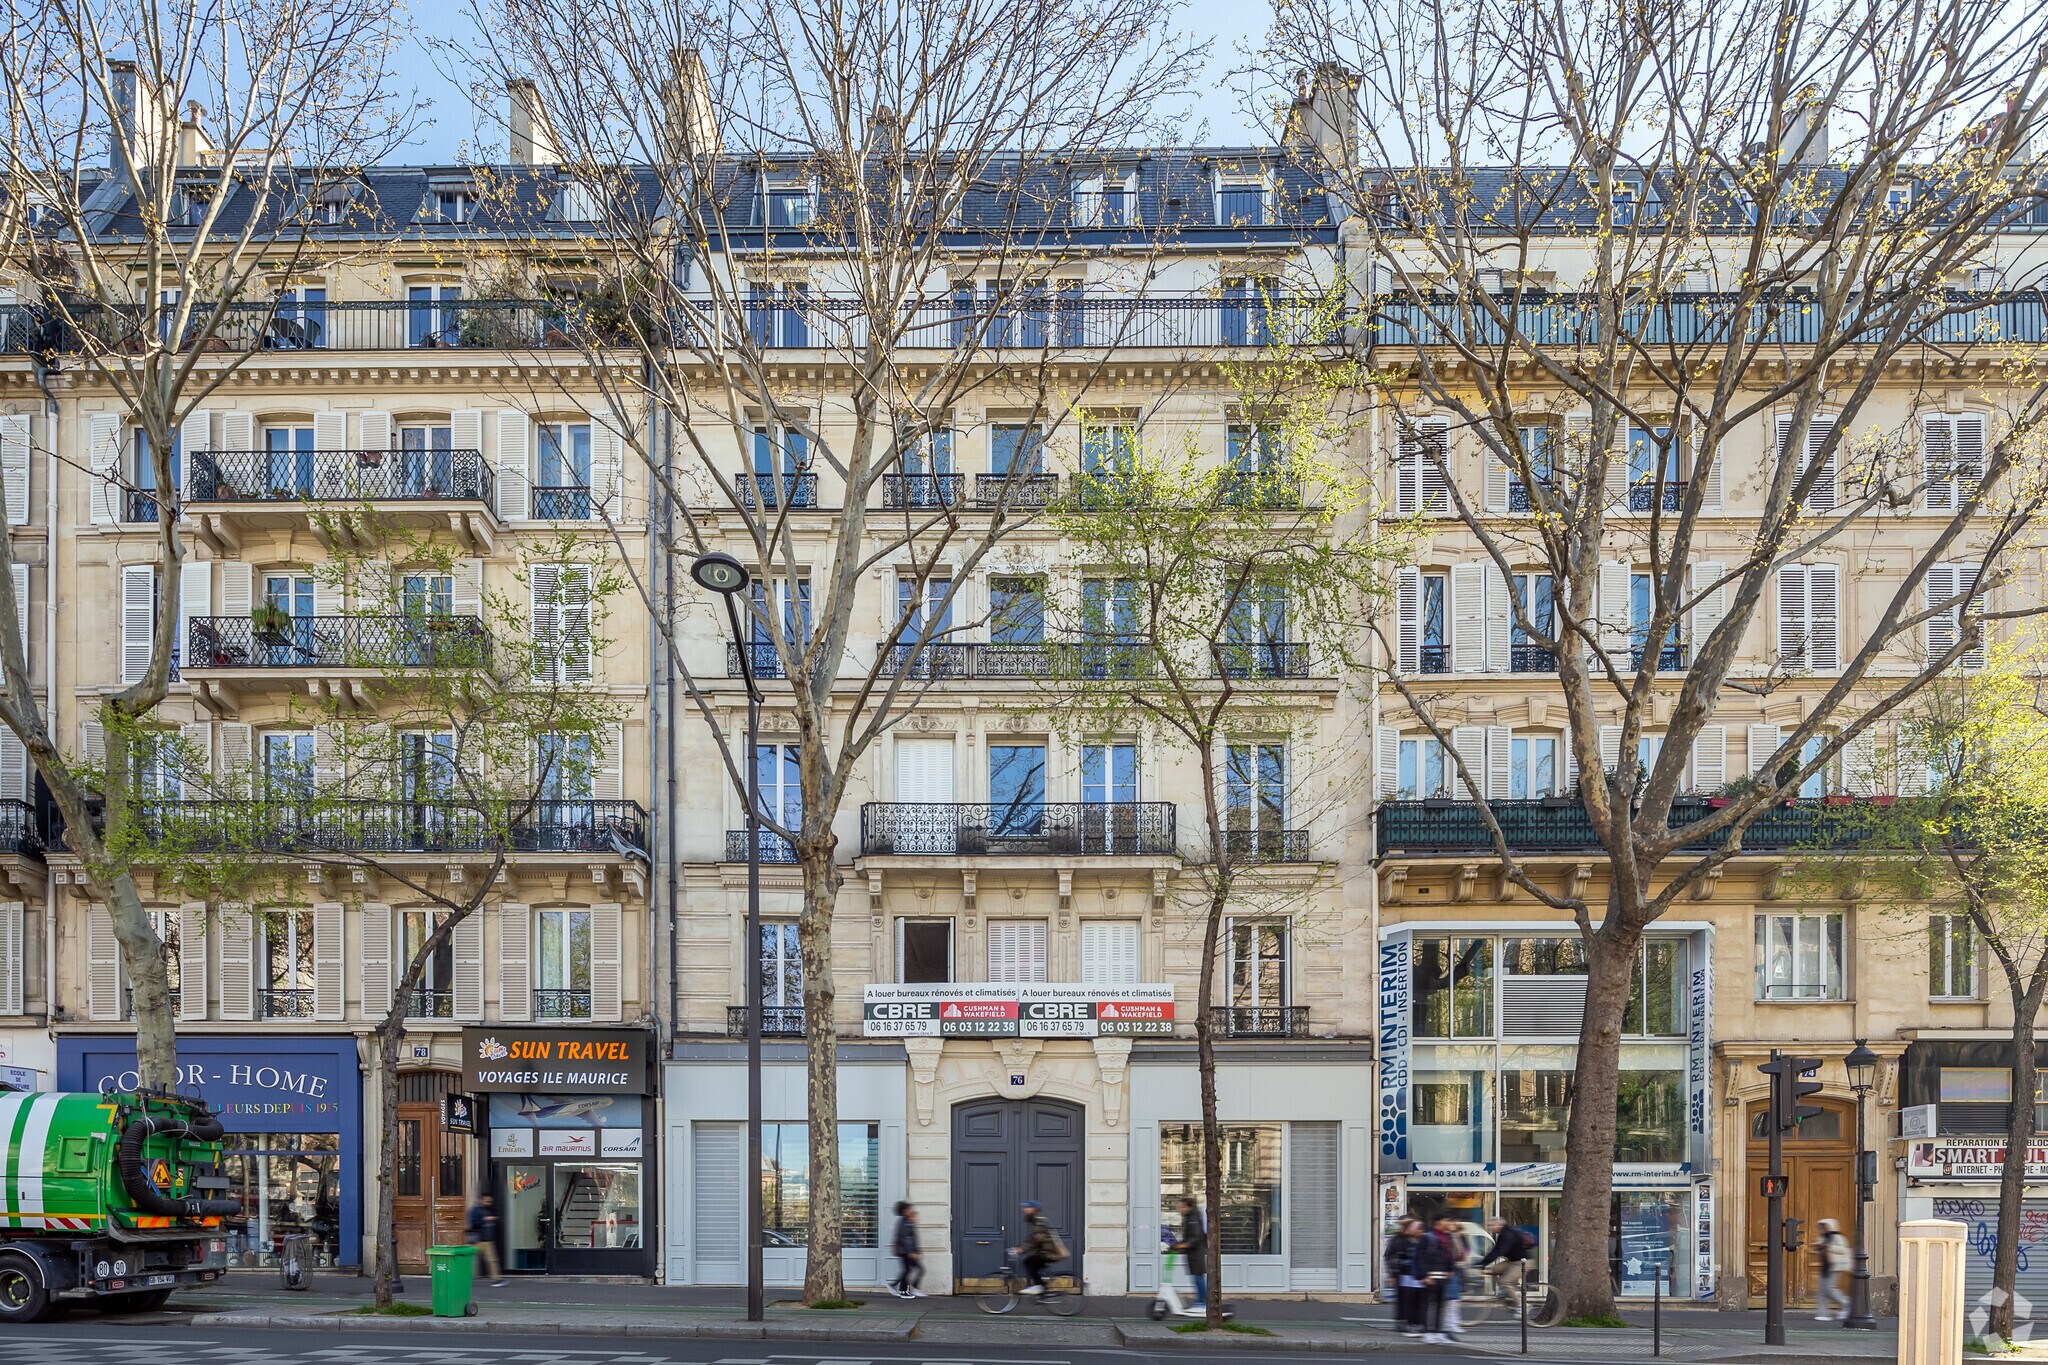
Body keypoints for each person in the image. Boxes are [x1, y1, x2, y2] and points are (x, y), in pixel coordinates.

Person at [1415, 1213, 1461, 1344]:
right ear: (1438, 1222)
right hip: (1430, 1276)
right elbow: (1419, 1257)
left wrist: (1450, 1270)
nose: (1447, 1223)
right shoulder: (1428, 1237)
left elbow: (1448, 1255)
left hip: (1442, 1277)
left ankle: (1438, 1332)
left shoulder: (1447, 1236)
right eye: (1445, 1220)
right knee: (1429, 1306)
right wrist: (1424, 1276)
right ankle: (1428, 1332)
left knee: (1440, 1306)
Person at [1384, 1218, 1428, 1336]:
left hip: (1415, 1275)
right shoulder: (1398, 1239)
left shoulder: (1420, 1240)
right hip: (1403, 1274)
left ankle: (1414, 1323)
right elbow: (1389, 1256)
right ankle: (1403, 1321)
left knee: (1415, 1301)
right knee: (1404, 1300)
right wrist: (1392, 1273)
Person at [1011, 1200, 1065, 1295]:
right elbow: (1033, 1238)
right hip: (1045, 1251)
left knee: (1028, 1262)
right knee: (1032, 1265)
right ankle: (1043, 1288)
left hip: (1048, 1253)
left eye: (1027, 1207)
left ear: (1033, 1209)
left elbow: (1037, 1239)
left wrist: (1022, 1249)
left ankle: (1040, 1286)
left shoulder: (1039, 1221)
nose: (1024, 1209)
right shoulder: (1035, 1220)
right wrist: (1022, 1248)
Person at [1477, 1216, 1533, 1300]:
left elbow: (1499, 1251)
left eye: (1491, 1225)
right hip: (1513, 1261)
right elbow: (1495, 1250)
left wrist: (1483, 1263)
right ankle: (1506, 1291)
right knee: (1495, 1269)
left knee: (1505, 1281)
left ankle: (1520, 1304)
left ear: (1498, 1225)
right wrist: (1483, 1263)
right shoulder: (1503, 1233)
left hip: (1523, 1262)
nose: (1490, 1228)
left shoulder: (1507, 1234)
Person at [1169, 1196, 1210, 1309]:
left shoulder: (1193, 1218)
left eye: (1181, 1207)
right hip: (1193, 1253)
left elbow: (1195, 1238)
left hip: (1196, 1254)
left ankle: (1202, 1302)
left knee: (1198, 1278)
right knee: (1197, 1278)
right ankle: (1201, 1301)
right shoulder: (1190, 1217)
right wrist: (1179, 1245)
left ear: (1188, 1207)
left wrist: (1181, 1245)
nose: (1179, 1209)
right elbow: (1189, 1237)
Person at [1433, 1216, 1469, 1340]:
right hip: (1448, 1270)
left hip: (1453, 1269)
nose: (1454, 1224)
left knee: (1453, 1299)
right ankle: (1448, 1325)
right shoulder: (1446, 1237)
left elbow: (1463, 1251)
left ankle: (1452, 1323)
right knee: (1448, 1300)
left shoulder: (1455, 1236)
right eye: (1452, 1223)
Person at [465, 1189, 506, 1287]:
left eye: (490, 1201)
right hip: (477, 1241)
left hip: (487, 1240)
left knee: (492, 1260)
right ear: (481, 1200)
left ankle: (496, 1279)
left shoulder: (488, 1209)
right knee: (470, 1260)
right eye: (487, 1201)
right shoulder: (475, 1210)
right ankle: (464, 1278)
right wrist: (485, 1220)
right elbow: (473, 1222)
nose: (489, 1203)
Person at [1815, 1218, 1853, 1322]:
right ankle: (1822, 1314)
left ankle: (1847, 1303)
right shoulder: (1823, 1237)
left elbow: (1843, 1249)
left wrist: (1828, 1246)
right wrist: (1818, 1247)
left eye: (1825, 1226)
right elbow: (1820, 1251)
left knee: (1829, 1289)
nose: (1823, 1229)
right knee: (1822, 1291)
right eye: (1822, 1227)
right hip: (1826, 1266)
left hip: (1836, 1266)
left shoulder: (1837, 1236)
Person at [890, 1201, 925, 1299]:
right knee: (910, 1270)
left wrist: (917, 1251)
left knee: (909, 1270)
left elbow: (913, 1239)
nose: (911, 1210)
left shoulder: (907, 1221)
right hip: (905, 1251)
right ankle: (904, 1290)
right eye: (909, 1209)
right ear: (904, 1211)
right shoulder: (905, 1223)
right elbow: (905, 1239)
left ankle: (899, 1287)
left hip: (906, 1251)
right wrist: (911, 1252)